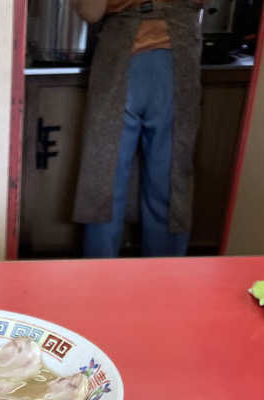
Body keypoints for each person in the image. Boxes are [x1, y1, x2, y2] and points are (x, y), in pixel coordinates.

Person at [72, 0, 204, 258]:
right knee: (170, 177)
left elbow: (90, 11)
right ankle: (166, 279)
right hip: (177, 51)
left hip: (120, 52)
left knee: (104, 173)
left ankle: (97, 276)